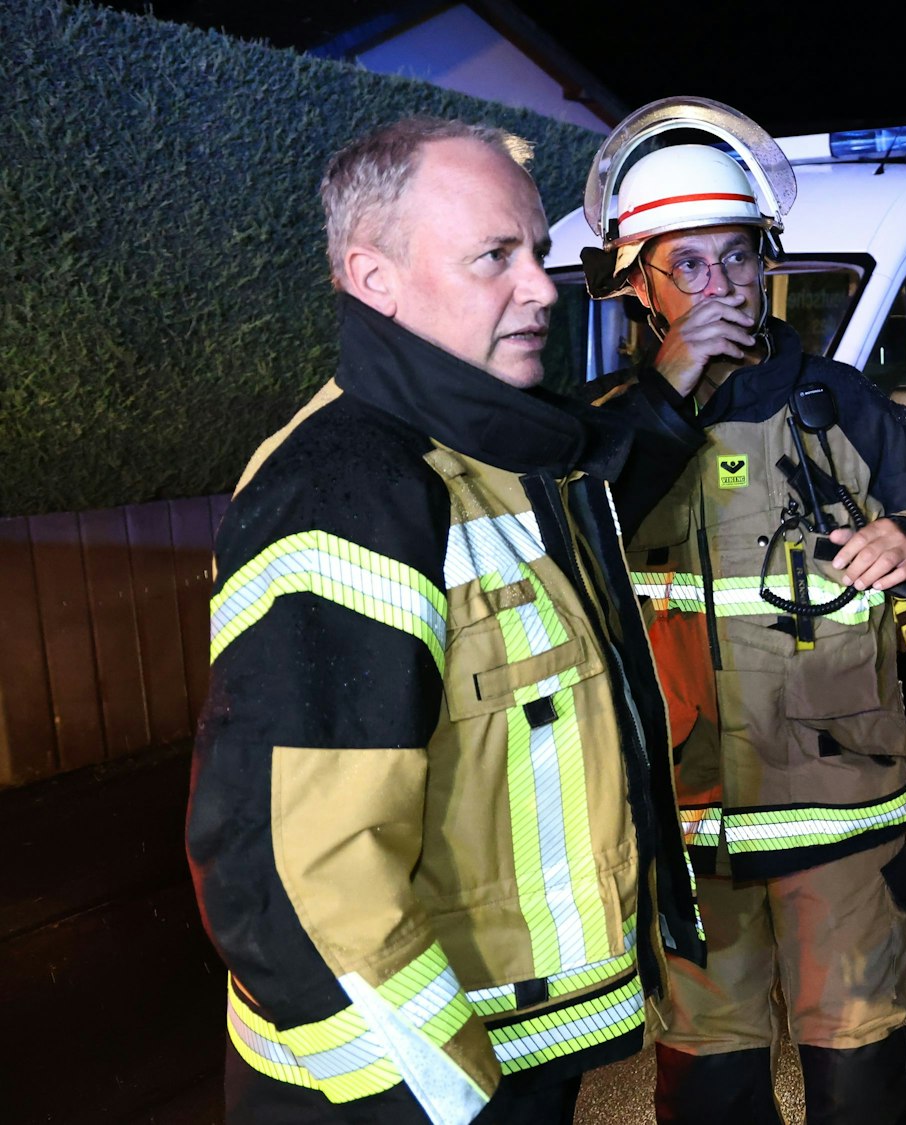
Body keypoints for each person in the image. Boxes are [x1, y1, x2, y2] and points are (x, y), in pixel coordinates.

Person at [185, 117, 705, 1124]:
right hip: (411, 1087)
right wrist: (424, 1089)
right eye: (494, 257)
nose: (542, 288)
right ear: (373, 278)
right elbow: (297, 878)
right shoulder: (346, 491)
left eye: (538, 254)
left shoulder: (487, 454)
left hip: (510, 1050)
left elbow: (601, 464)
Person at [574, 98, 906, 1125]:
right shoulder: (600, 431)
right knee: (707, 1078)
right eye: (689, 265)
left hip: (836, 812)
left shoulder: (839, 400)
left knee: (859, 1066)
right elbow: (573, 537)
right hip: (684, 823)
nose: (722, 286)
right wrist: (667, 394)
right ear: (638, 286)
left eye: (738, 260)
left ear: (767, 264)